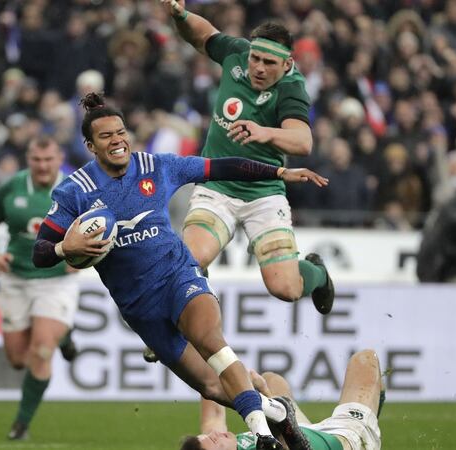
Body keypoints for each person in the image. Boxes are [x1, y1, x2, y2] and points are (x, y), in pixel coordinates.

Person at [33, 93, 328, 450]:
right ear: (90, 145)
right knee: (212, 387)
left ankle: (264, 437)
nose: (118, 140)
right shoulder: (74, 191)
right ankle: (278, 413)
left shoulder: (156, 166)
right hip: (141, 308)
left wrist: (279, 171)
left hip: (180, 277)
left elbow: (220, 167)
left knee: (210, 340)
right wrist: (67, 248)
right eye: (107, 136)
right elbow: (41, 252)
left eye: (121, 132)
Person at [160, 0, 334, 314]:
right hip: (217, 187)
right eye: (255, 59)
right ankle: (174, 327)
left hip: (263, 194)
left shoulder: (292, 89)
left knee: (286, 288)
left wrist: (265, 132)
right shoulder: (236, 53)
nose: (258, 67)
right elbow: (202, 35)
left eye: (269, 63)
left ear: (286, 64)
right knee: (188, 260)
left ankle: (317, 273)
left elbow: (303, 141)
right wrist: (181, 16)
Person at [0, 136, 80, 441]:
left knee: (41, 350)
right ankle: (65, 335)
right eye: (37, 160)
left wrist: (84, 257)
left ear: (59, 158)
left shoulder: (77, 188)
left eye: (49, 160)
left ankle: (20, 425)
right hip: (15, 278)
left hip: (57, 279)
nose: (43, 166)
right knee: (18, 359)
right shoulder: (12, 186)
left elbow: (103, 226)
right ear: (28, 159)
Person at [180, 349, 384, 450]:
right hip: (346, 440)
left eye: (208, 436)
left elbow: (212, 406)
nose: (215, 434)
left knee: (272, 379)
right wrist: (260, 391)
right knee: (366, 359)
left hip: (306, 433)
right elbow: (286, 437)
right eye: (213, 441)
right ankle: (370, 432)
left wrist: (191, 339)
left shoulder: (224, 441)